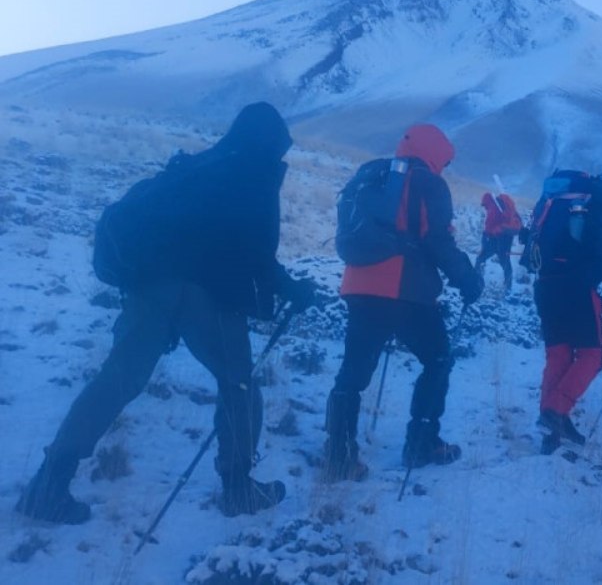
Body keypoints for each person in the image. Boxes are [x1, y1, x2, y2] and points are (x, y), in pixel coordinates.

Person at [16, 102, 317, 524]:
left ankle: (48, 484)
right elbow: (256, 254)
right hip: (204, 294)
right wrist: (294, 290)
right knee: (239, 385)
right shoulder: (253, 173)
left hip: (148, 285)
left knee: (116, 381)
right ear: (269, 142)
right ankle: (238, 489)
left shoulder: (198, 166)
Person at [324, 124, 483, 481]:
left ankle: (338, 455)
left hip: (358, 285)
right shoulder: (429, 182)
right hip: (405, 290)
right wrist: (467, 279)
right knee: (437, 359)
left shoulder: (371, 175)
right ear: (437, 154)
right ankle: (422, 442)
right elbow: (438, 241)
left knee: (352, 374)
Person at [524, 171, 602, 453]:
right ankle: (554, 412)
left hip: (545, 287)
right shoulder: (599, 208)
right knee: (592, 355)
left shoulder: (551, 200)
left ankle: (552, 427)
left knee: (558, 355)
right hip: (578, 289)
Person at [476, 192, 522, 292]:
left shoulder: (493, 208)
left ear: (487, 202)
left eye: (484, 205)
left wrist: (485, 240)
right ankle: (508, 286)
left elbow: (488, 227)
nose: (484, 208)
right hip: (504, 237)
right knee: (505, 261)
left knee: (481, 259)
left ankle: (476, 282)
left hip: (499, 237)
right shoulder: (498, 206)